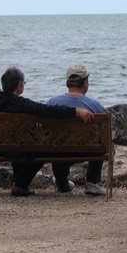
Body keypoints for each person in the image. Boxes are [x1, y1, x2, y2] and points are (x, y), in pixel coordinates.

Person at [0, 66, 94, 197]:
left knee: (20, 143)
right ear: (20, 85)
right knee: (39, 147)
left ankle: (20, 185)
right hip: (13, 147)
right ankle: (20, 185)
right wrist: (75, 111)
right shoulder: (20, 104)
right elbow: (46, 111)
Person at [47, 64, 108, 196]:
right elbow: (105, 132)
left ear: (67, 82)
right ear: (85, 83)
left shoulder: (52, 103)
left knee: (58, 142)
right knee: (101, 142)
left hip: (57, 150)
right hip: (88, 150)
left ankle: (62, 182)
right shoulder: (95, 105)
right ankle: (92, 183)